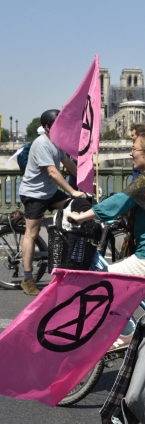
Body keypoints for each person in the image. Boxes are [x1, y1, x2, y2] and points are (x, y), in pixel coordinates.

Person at [69, 131, 145, 349]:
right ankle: (141, 341)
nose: (131, 153)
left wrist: (81, 217)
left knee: (101, 286)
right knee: (141, 302)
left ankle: (129, 335)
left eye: (134, 149)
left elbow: (120, 201)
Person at [19, 109, 85, 296]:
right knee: (31, 233)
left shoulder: (57, 142)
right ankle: (28, 278)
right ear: (48, 127)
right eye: (58, 124)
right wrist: (72, 190)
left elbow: (68, 163)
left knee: (76, 206)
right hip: (34, 194)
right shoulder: (41, 144)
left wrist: (85, 179)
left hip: (49, 192)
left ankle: (60, 246)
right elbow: (53, 172)